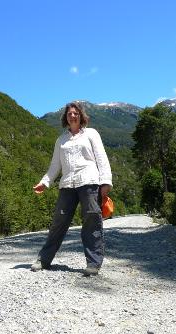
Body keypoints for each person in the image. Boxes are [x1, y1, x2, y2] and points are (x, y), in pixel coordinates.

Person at [31, 101, 112, 276]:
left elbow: (101, 158)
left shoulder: (91, 134)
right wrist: (44, 182)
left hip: (90, 182)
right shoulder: (61, 140)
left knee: (91, 221)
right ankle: (43, 260)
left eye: (75, 113)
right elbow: (55, 166)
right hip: (67, 184)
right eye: (69, 114)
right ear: (65, 118)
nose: (72, 116)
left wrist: (105, 182)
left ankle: (93, 263)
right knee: (58, 223)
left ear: (81, 116)